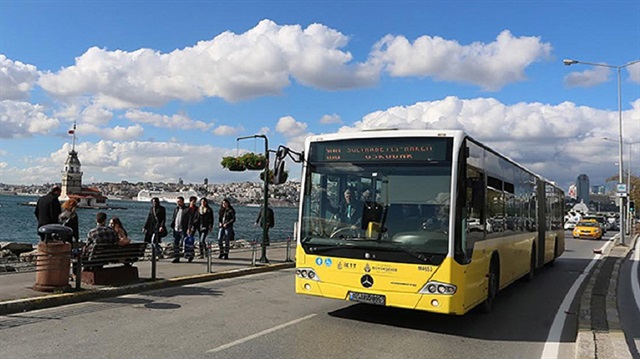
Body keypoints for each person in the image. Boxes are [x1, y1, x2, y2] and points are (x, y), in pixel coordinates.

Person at [169, 196, 187, 263]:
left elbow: (189, 219)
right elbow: (174, 218)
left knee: (183, 243)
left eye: (179, 201)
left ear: (182, 202)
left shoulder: (186, 209)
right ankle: (176, 257)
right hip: (176, 229)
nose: (178, 203)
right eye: (177, 201)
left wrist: (189, 228)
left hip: (183, 229)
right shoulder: (176, 209)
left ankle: (189, 255)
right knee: (175, 244)